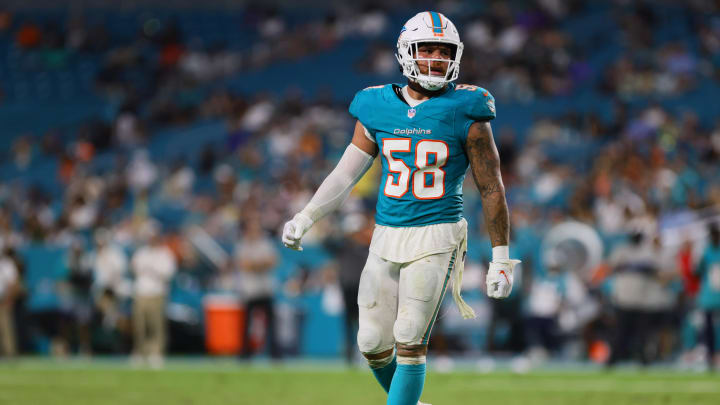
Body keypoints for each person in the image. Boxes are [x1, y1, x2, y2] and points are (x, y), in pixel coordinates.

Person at [282, 11, 520, 405]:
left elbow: (492, 187)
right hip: (386, 234)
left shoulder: (468, 106)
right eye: (425, 49)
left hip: (437, 234)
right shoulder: (375, 104)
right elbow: (345, 175)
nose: (435, 59)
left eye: (443, 52)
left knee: (410, 339)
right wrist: (306, 216)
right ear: (405, 53)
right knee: (372, 342)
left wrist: (501, 257)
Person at [130, 227, 177, 368]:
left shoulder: (165, 254)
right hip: (141, 292)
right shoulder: (141, 253)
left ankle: (156, 353)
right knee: (140, 325)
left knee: (156, 325)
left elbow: (168, 273)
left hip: (157, 293)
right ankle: (140, 352)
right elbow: (134, 268)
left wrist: (152, 269)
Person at [696, 223, 720, 370]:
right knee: (708, 329)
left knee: (709, 328)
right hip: (710, 297)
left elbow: (698, 271)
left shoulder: (706, 252)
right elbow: (698, 271)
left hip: (710, 297)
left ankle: (711, 356)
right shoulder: (706, 252)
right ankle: (710, 356)